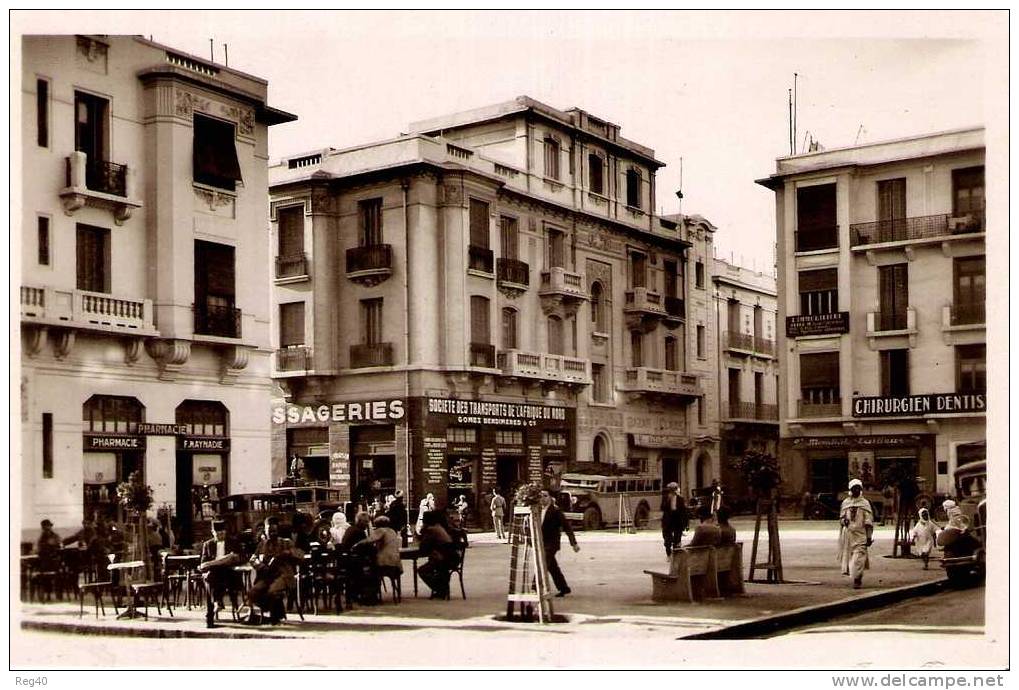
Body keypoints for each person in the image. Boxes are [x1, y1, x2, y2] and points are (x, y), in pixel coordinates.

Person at [246, 516, 304, 624]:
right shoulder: (262, 544)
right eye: (269, 531)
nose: (272, 533)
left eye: (274, 531)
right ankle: (271, 613)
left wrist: (288, 553)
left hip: (283, 576)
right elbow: (253, 559)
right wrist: (260, 565)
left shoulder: (285, 542)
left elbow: (301, 555)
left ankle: (275, 616)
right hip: (266, 576)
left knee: (272, 591)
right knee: (252, 592)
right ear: (265, 531)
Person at [198, 520, 243, 628]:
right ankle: (212, 612)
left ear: (226, 532)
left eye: (222, 533)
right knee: (210, 578)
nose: (220, 535)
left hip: (230, 573)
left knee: (212, 578)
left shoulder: (233, 542)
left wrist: (232, 559)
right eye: (217, 534)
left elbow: (241, 558)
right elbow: (203, 562)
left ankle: (216, 605)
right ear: (213, 532)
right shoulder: (208, 544)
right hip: (214, 573)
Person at [538, 488, 580, 598]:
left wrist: (573, 543)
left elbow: (567, 527)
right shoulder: (537, 510)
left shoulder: (555, 511)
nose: (542, 498)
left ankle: (535, 586)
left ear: (551, 499)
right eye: (541, 496)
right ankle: (563, 588)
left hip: (552, 543)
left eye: (545, 495)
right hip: (541, 542)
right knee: (552, 567)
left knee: (544, 563)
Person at [837, 478, 875, 589]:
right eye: (854, 488)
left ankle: (857, 579)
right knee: (851, 558)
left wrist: (869, 536)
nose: (856, 490)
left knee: (858, 558)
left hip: (861, 535)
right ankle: (857, 577)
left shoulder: (865, 503)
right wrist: (844, 521)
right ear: (851, 489)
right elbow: (841, 518)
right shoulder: (846, 503)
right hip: (848, 536)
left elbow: (868, 521)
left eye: (858, 488)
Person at [417, 510, 455, 599]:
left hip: (444, 559)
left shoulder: (431, 530)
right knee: (435, 567)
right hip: (450, 556)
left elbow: (423, 547)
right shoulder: (439, 527)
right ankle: (441, 588)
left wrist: (422, 533)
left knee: (422, 571)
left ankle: (440, 588)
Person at [360, 515, 403, 583]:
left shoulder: (381, 530)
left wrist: (357, 544)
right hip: (396, 564)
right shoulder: (392, 531)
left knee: (367, 569)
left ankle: (373, 588)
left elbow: (369, 540)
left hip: (385, 563)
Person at [660, 482, 689, 557]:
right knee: (667, 539)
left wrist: (686, 524)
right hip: (668, 520)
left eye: (673, 490)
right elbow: (662, 508)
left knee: (677, 539)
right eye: (671, 490)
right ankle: (668, 553)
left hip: (677, 519)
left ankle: (676, 553)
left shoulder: (680, 499)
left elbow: (684, 512)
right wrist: (668, 500)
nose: (672, 492)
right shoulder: (665, 498)